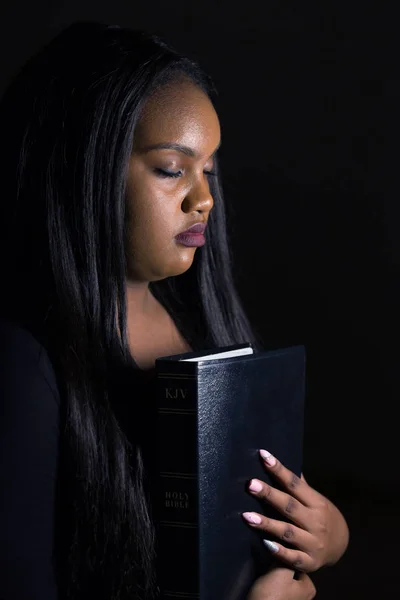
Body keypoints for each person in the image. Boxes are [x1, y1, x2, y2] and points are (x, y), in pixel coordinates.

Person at [0, 21, 348, 600]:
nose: (204, 198)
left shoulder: (201, 326)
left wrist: (325, 535)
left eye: (208, 170)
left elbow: (256, 509)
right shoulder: (25, 368)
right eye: (171, 169)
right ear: (82, 170)